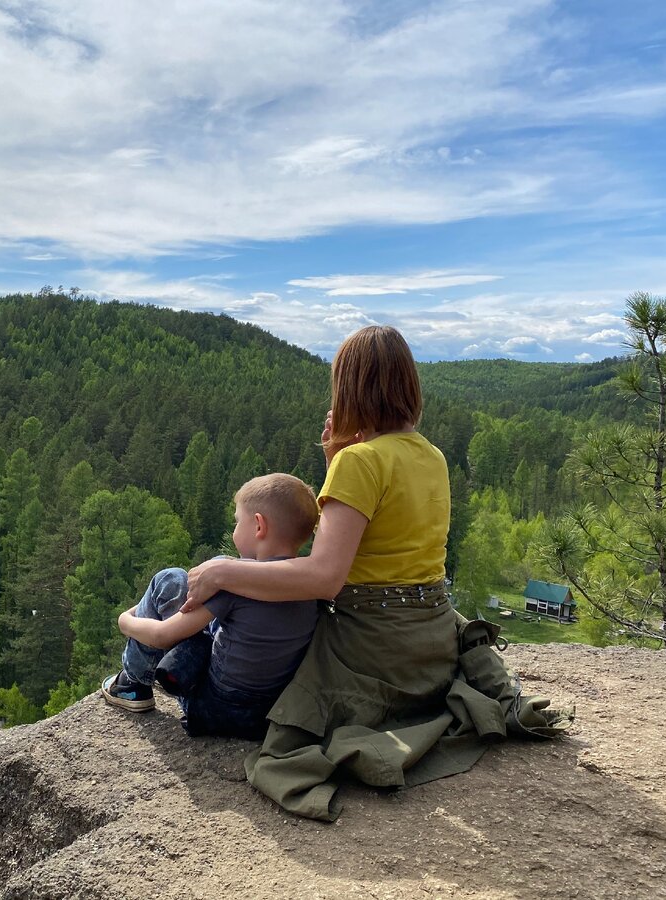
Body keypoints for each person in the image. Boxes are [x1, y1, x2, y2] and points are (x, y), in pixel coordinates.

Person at [182, 325, 571, 820]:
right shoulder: (431, 455)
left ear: (350, 388)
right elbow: (384, 537)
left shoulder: (361, 462)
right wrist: (336, 462)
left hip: (374, 648)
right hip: (430, 644)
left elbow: (324, 575)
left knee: (250, 638)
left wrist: (223, 571)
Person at [101, 473, 321, 740]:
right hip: (267, 712)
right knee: (219, 562)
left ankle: (132, 685)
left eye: (238, 521)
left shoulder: (240, 581)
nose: (234, 529)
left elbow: (162, 636)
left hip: (216, 710)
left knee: (169, 579)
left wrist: (125, 620)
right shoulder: (311, 585)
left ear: (258, 526)